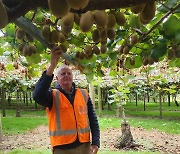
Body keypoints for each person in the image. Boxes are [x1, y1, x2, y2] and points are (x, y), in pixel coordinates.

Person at [33, 46, 100, 154]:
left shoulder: (83, 94)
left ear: (73, 77)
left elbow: (93, 119)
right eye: (63, 74)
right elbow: (38, 96)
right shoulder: (52, 96)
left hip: (84, 147)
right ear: (57, 78)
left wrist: (96, 142)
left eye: (69, 73)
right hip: (62, 149)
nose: (66, 75)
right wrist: (51, 67)